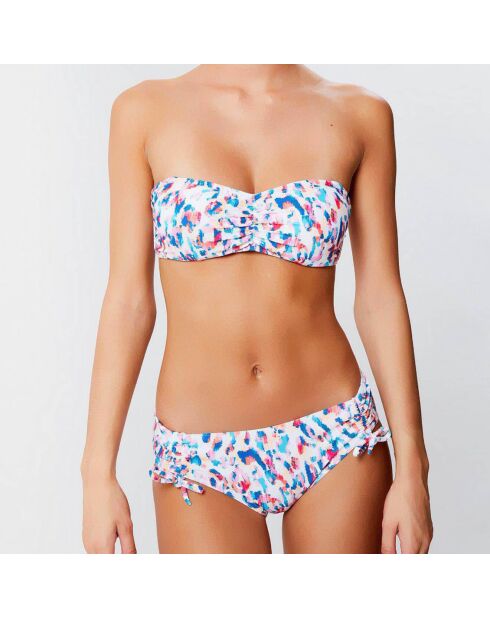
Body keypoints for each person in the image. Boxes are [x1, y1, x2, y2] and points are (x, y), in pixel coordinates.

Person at [81, 64, 433, 554]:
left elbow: (380, 296)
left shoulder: (361, 113)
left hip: (336, 436)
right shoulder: (142, 111)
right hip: (198, 457)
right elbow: (129, 301)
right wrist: (97, 474)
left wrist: (414, 468)